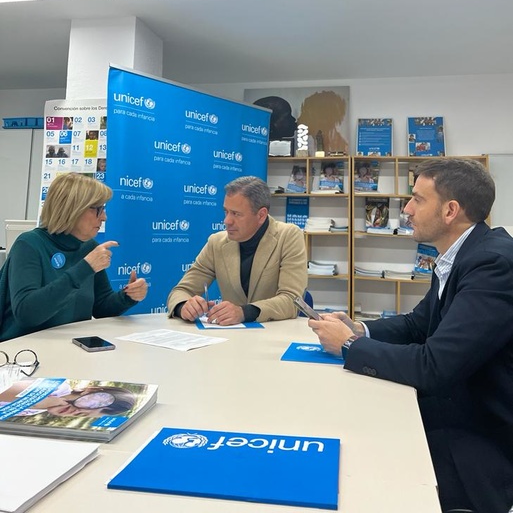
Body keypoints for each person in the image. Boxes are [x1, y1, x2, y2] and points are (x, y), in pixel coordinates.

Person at [308, 158, 513, 513]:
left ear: (450, 211)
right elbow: (419, 325)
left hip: (479, 440)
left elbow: (435, 366)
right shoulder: (460, 253)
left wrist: (349, 344)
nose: (406, 209)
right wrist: (360, 328)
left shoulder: (492, 265)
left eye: (417, 199)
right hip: (453, 412)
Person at [0, 173, 148, 342]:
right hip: (25, 354)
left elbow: (101, 308)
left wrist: (128, 296)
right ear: (72, 209)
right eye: (98, 209)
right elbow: (27, 314)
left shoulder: (89, 246)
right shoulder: (29, 244)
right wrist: (85, 268)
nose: (104, 217)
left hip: (70, 350)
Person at [167, 176, 307, 325]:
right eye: (226, 212)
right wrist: (184, 306)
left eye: (236, 214)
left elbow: (292, 300)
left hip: (275, 335)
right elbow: (180, 291)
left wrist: (244, 312)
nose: (226, 221)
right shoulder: (217, 242)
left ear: (261, 215)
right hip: (232, 338)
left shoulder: (288, 236)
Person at [0, 380, 136, 418]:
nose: (75, 411)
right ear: (91, 390)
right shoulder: (56, 388)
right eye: (96, 402)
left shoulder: (38, 411)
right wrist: (36, 402)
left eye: (81, 415)